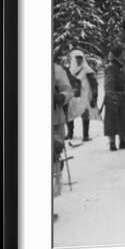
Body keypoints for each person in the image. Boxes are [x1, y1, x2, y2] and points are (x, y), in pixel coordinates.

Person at [53, 63, 73, 221]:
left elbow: (68, 90)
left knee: (54, 157)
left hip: (54, 120)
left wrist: (62, 97)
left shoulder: (55, 69)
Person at [103, 43, 125, 151]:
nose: (124, 55)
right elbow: (109, 84)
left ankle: (122, 141)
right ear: (118, 55)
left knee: (123, 119)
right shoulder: (112, 67)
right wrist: (112, 96)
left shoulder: (120, 66)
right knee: (112, 121)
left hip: (121, 96)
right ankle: (112, 143)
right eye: (122, 53)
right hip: (113, 97)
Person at [66, 49, 98, 141]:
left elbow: (94, 84)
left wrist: (94, 97)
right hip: (73, 96)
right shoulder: (70, 70)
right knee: (70, 113)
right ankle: (70, 133)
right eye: (77, 58)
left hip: (85, 95)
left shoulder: (88, 70)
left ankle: (85, 135)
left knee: (85, 113)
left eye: (80, 58)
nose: (79, 60)